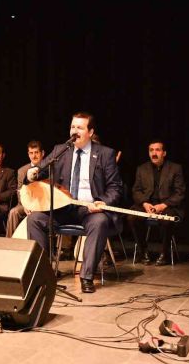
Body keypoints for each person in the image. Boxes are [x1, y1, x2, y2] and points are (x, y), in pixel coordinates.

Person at [26, 112, 123, 293]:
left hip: (90, 210)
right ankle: (43, 273)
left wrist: (102, 202)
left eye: (80, 127)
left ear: (90, 132)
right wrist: (32, 173)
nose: (74, 131)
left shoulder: (105, 153)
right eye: (72, 127)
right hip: (63, 208)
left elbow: (115, 187)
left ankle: (86, 276)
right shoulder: (61, 150)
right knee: (34, 220)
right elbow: (41, 170)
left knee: (100, 222)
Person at [127, 139, 185, 265]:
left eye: (157, 150)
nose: (154, 153)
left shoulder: (175, 168)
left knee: (166, 220)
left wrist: (163, 205)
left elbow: (179, 193)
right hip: (147, 204)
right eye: (151, 150)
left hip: (167, 205)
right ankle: (143, 252)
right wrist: (144, 203)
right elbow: (136, 191)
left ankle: (164, 253)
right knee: (132, 218)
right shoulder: (142, 169)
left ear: (164, 153)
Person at [5, 140, 45, 237]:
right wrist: (26, 205)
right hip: (26, 204)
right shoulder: (22, 171)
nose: (34, 156)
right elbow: (20, 191)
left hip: (43, 205)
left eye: (36, 152)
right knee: (14, 212)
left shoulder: (49, 168)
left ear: (42, 153)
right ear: (28, 154)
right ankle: (9, 242)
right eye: (31, 153)